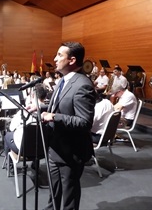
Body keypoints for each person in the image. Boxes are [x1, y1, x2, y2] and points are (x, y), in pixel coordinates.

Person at [41, 42, 96, 210]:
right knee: (54, 192)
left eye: (59, 55)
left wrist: (54, 117)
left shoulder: (83, 85)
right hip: (54, 147)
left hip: (70, 151)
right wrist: (41, 107)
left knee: (69, 197)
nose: (55, 58)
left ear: (72, 60)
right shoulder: (63, 81)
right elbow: (57, 105)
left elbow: (84, 122)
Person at [3, 83, 48, 173]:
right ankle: (35, 165)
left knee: (7, 135)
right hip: (43, 151)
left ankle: (10, 165)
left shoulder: (26, 110)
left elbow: (12, 127)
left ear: (32, 95)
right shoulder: (50, 111)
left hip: (23, 150)